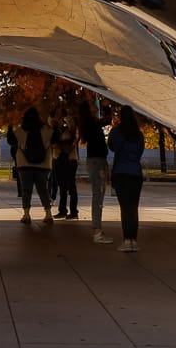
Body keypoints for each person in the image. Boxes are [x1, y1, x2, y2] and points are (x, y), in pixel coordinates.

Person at [108, 104, 146, 251]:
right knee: (133, 208)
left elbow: (111, 146)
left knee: (125, 208)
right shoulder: (139, 135)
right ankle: (134, 240)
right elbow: (140, 152)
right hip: (135, 173)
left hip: (121, 172)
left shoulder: (117, 132)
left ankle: (126, 240)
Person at [9, 107, 54, 225]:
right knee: (43, 190)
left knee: (26, 190)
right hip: (43, 165)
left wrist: (10, 126)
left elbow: (11, 141)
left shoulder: (21, 130)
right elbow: (56, 138)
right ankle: (48, 213)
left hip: (24, 165)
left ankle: (27, 214)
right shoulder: (46, 130)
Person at [79, 97, 113, 243]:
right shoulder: (91, 123)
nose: (96, 106)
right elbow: (107, 120)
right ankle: (97, 231)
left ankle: (97, 229)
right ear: (88, 109)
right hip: (97, 161)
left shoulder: (89, 123)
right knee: (98, 195)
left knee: (98, 194)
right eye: (93, 104)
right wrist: (107, 107)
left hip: (96, 161)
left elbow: (106, 120)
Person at [51, 117, 79, 219]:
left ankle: (73, 211)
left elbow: (71, 143)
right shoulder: (55, 131)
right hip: (60, 159)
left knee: (70, 186)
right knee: (63, 186)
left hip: (69, 160)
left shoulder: (69, 131)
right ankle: (63, 210)